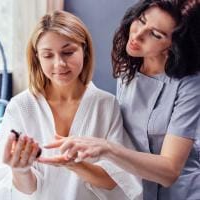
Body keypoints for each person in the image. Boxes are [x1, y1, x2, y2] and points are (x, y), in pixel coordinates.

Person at [44, 1, 200, 200]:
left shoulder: (190, 86)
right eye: (141, 21)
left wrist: (107, 148)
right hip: (139, 189)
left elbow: (170, 171)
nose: (137, 35)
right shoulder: (129, 69)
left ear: (174, 45)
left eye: (156, 34)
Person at [0, 10, 142, 200]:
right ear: (37, 58)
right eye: (47, 55)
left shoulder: (105, 104)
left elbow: (116, 180)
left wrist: (73, 164)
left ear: (84, 50)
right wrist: (21, 171)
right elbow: (20, 189)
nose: (59, 64)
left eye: (68, 52)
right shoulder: (21, 106)